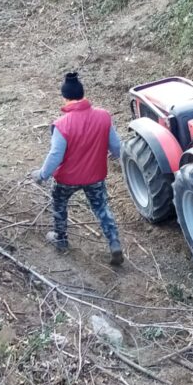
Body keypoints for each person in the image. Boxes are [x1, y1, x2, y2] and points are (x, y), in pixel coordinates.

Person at [31, 72, 124, 266]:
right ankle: (114, 241)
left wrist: (42, 175)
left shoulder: (62, 124)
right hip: (95, 176)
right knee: (101, 207)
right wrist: (118, 158)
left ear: (65, 97)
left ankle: (61, 237)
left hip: (67, 179)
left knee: (59, 203)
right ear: (83, 94)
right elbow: (116, 147)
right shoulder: (103, 117)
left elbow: (56, 155)